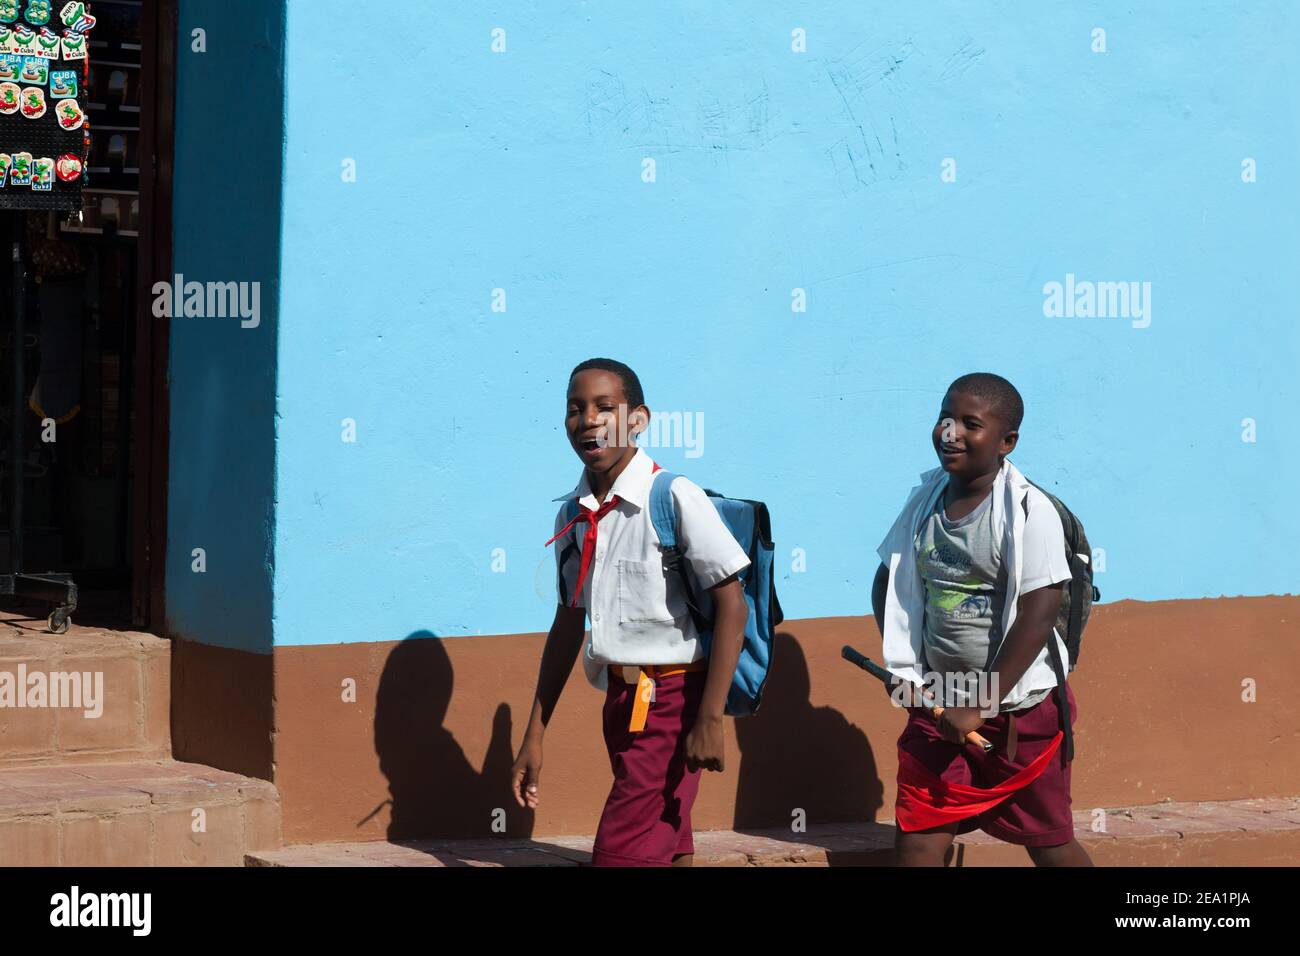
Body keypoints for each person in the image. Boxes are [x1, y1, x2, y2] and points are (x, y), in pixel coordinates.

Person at [510, 358, 750, 866]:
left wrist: (710, 716)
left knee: (620, 853)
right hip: (620, 701)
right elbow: (567, 622)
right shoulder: (572, 516)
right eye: (576, 409)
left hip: (673, 702)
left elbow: (733, 604)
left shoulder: (672, 497)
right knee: (666, 842)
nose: (589, 420)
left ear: (637, 419)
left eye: (605, 407)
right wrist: (536, 732)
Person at [872, 372, 1092, 866]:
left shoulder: (1027, 510)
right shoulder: (925, 500)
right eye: (945, 419)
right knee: (920, 835)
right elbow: (890, 578)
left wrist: (982, 703)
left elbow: (1041, 610)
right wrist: (906, 670)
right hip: (938, 706)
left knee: (1049, 840)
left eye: (970, 424)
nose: (950, 433)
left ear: (1006, 441)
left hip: (1018, 712)